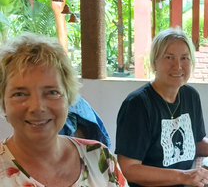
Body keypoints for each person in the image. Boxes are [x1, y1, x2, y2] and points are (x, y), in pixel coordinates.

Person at [115, 28, 208, 187]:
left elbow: (197, 143)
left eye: (184, 58)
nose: (177, 66)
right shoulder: (138, 105)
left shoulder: (190, 96)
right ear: (154, 62)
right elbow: (128, 168)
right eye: (169, 57)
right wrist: (184, 176)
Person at [0, 33, 128, 187]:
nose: (37, 107)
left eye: (51, 92)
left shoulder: (100, 158)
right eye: (19, 94)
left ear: (68, 97)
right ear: (3, 103)